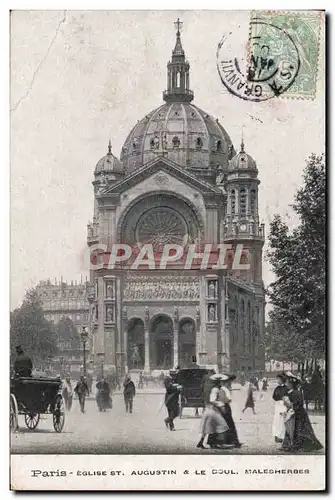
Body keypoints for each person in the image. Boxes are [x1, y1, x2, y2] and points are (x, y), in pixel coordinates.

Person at [281, 373, 323, 452]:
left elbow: (299, 403)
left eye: (288, 383)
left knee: (301, 429)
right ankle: (289, 444)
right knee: (290, 428)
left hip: (299, 413)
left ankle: (302, 445)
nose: (286, 385)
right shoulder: (290, 392)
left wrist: (292, 407)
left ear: (292, 384)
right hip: (293, 412)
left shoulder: (297, 393)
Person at [197, 374, 229, 449]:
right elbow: (212, 400)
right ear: (219, 382)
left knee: (209, 427)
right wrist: (221, 405)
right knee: (223, 425)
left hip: (208, 409)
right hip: (212, 410)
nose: (223, 383)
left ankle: (201, 442)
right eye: (222, 382)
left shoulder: (213, 388)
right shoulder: (215, 389)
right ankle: (218, 443)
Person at [219, 374, 242, 448]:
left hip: (225, 406)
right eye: (229, 382)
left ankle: (230, 441)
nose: (230, 383)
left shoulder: (224, 388)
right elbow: (225, 399)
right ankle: (234, 441)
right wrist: (228, 400)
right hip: (225, 406)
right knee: (230, 424)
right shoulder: (223, 389)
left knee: (227, 424)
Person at [272, 373, 288, 443]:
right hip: (277, 405)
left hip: (284, 405)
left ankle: (282, 436)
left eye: (278, 379)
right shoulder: (277, 388)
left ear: (282, 380)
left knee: (282, 421)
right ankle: (276, 436)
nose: (277, 381)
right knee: (277, 420)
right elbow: (274, 396)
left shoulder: (286, 388)